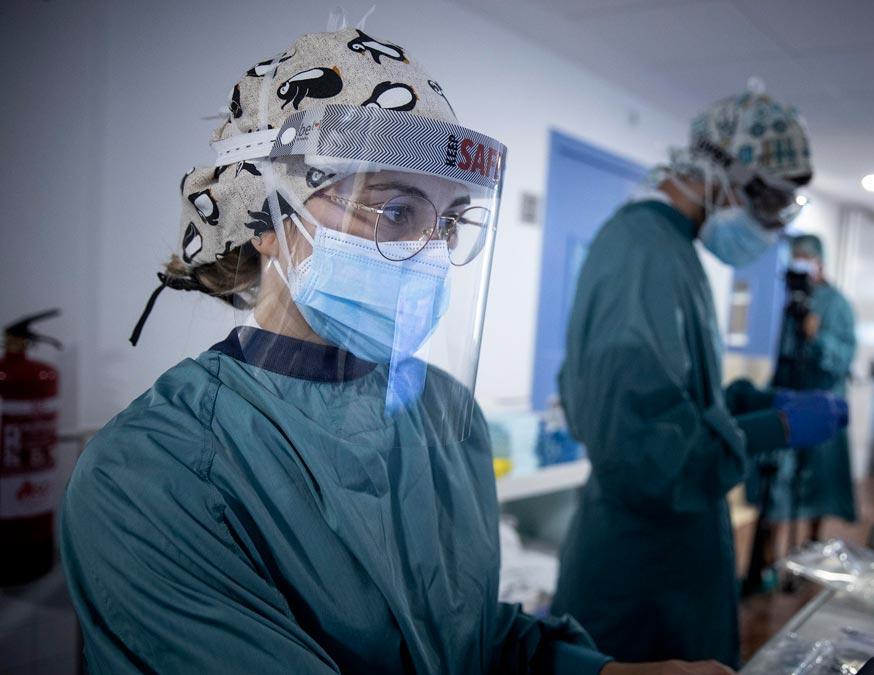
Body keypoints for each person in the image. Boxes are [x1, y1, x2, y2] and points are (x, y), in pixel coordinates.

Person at [59, 27, 728, 675]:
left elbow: (464, 638)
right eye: (396, 212)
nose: (431, 253)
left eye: (450, 220)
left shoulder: (440, 412)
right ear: (266, 218)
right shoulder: (151, 472)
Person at [551, 90, 848, 667]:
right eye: (769, 199)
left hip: (673, 559)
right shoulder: (643, 254)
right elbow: (644, 449)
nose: (768, 223)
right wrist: (771, 427)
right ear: (726, 171)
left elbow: (679, 395)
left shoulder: (672, 248)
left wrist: (753, 400)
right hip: (640, 573)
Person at [748, 234, 857, 567]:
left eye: (804, 257)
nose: (798, 263)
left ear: (818, 261)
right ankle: (766, 560)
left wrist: (817, 337)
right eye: (793, 257)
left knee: (819, 487)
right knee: (777, 484)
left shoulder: (838, 305)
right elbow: (782, 357)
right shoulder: (789, 303)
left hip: (823, 405)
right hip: (788, 404)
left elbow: (842, 359)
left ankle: (811, 552)